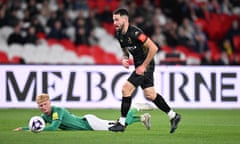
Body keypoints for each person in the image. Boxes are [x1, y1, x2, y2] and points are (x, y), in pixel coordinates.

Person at [109, 8, 181, 133]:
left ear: (125, 19)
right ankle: (173, 116)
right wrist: (125, 58)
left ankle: (121, 123)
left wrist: (143, 66)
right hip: (139, 65)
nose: (114, 22)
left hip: (145, 64)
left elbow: (154, 48)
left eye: (116, 19)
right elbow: (125, 50)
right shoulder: (120, 34)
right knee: (150, 94)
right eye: (113, 20)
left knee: (126, 89)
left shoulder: (136, 33)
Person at [13, 93, 151, 131]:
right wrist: (24, 128)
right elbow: (38, 126)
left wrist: (34, 131)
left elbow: (54, 128)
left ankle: (135, 108)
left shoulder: (57, 110)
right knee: (118, 123)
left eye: (44, 104)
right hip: (88, 122)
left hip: (90, 124)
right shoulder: (44, 116)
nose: (43, 107)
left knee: (120, 127)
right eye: (40, 106)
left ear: (49, 102)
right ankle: (142, 119)